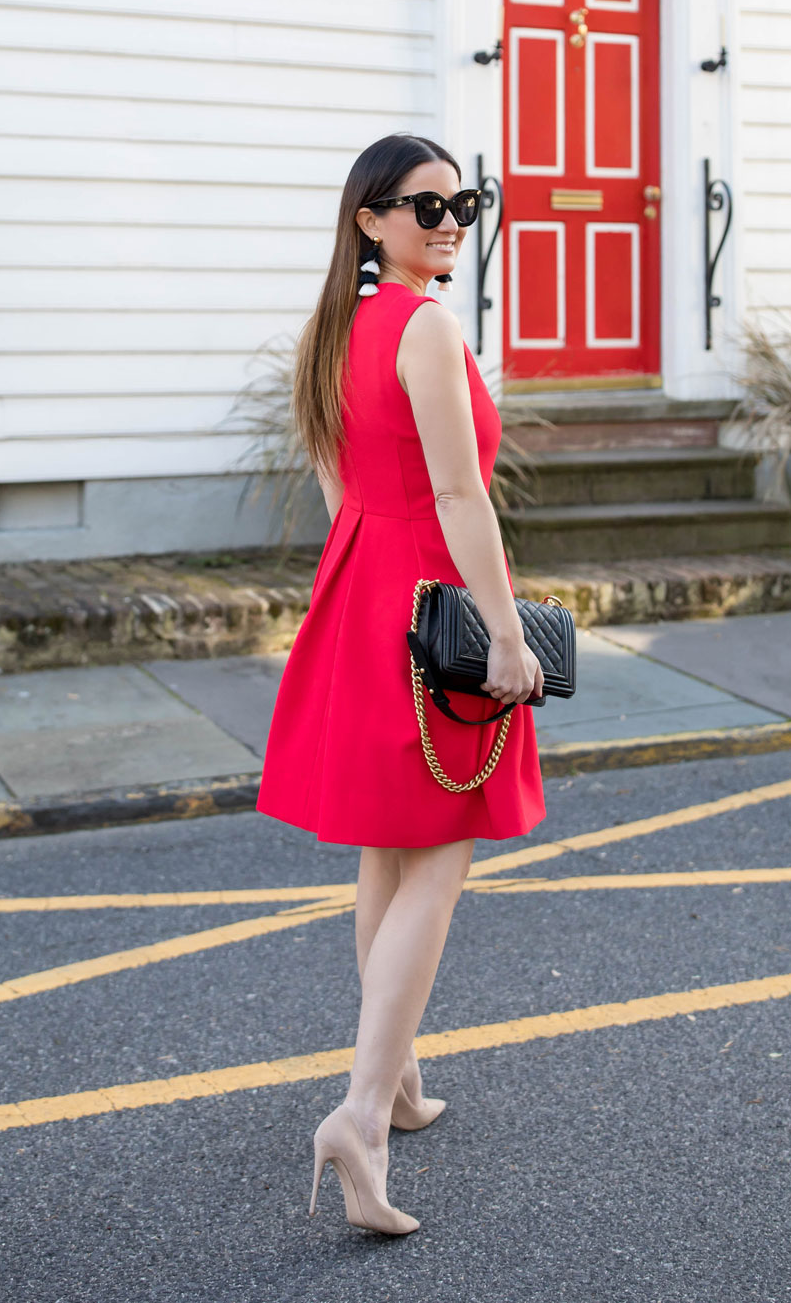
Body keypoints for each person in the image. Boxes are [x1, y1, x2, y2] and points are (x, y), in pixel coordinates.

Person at [257, 134, 546, 1235]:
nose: (448, 222)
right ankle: (362, 1115)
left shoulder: (336, 328)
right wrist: (506, 639)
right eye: (423, 206)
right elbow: (462, 497)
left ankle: (402, 1076)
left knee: (389, 843)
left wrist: (376, 586)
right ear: (369, 219)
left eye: (459, 203)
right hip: (434, 606)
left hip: (365, 594)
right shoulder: (422, 328)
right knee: (441, 850)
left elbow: (341, 485)